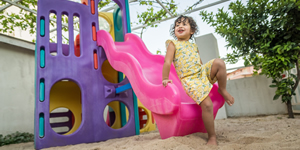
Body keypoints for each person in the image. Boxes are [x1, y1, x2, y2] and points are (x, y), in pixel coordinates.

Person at [162, 15, 235, 145]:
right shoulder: (173, 44)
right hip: (190, 79)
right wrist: (165, 78)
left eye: (184, 24)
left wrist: (206, 75)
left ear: (192, 31)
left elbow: (199, 63)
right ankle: (212, 137)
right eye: (177, 24)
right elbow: (167, 62)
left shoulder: (194, 46)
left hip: (201, 73)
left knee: (219, 62)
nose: (180, 26)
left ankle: (222, 89)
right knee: (207, 105)